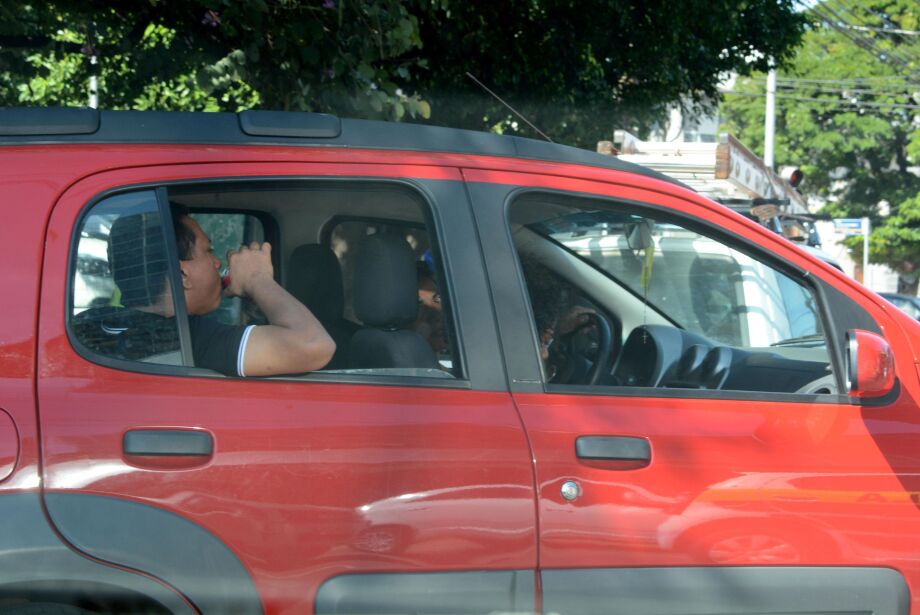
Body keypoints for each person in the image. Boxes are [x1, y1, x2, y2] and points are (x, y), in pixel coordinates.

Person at [79, 205, 335, 377]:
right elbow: (314, 345)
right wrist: (257, 278)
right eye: (208, 251)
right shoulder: (192, 339)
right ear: (183, 274)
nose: (217, 263)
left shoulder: (88, 325)